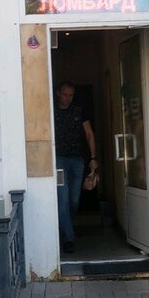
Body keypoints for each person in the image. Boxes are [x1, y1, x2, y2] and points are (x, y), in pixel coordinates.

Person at [54, 81, 98, 254]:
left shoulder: (79, 110)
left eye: (71, 95)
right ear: (58, 93)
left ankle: (66, 227)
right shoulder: (51, 110)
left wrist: (93, 157)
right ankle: (69, 238)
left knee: (74, 200)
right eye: (65, 94)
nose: (68, 98)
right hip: (58, 160)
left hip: (77, 160)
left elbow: (89, 134)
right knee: (62, 198)